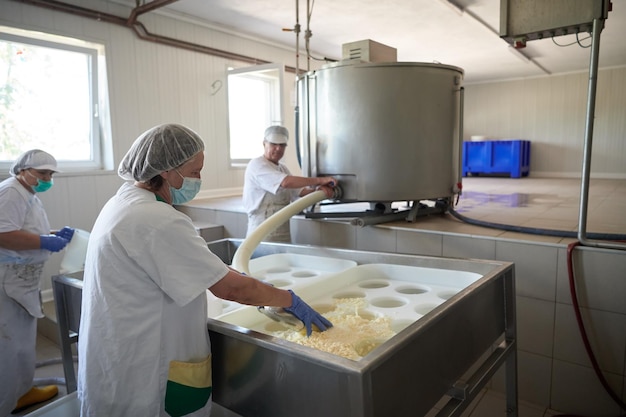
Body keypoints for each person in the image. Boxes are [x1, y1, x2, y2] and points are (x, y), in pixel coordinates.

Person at [77, 123, 332, 417]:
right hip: (146, 373)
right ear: (167, 171)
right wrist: (288, 300)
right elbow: (230, 289)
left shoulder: (123, 202)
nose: (198, 179)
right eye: (195, 171)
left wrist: (235, 276)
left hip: (119, 359)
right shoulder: (158, 220)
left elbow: (193, 263)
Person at [0, 149, 75, 415]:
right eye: (42, 173)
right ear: (23, 171)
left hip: (21, 278)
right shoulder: (10, 192)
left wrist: (53, 234)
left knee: (21, 341)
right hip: (8, 279)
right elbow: (4, 234)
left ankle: (22, 390)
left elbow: (24, 229)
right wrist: (45, 242)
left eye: (50, 174)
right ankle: (6, 402)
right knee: (9, 345)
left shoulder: (27, 194)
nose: (47, 179)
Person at [242, 125, 337, 242]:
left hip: (283, 231)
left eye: (282, 145)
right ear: (264, 143)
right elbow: (286, 183)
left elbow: (300, 192)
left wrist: (319, 191)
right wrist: (320, 180)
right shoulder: (257, 165)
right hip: (262, 231)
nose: (278, 149)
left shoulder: (283, 169)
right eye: (273, 144)